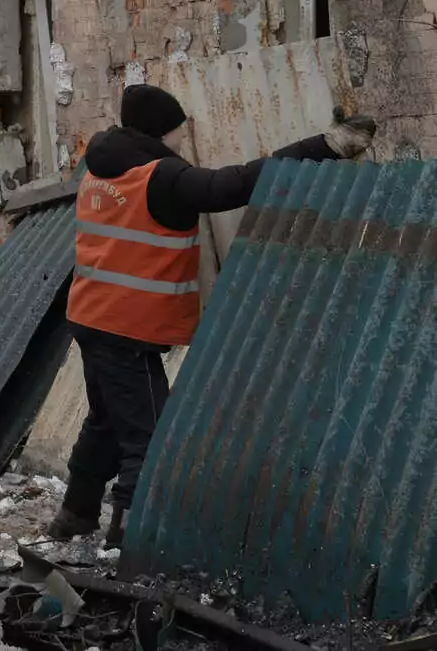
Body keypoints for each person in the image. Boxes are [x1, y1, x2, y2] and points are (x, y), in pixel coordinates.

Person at [44, 84, 375, 547]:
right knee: (149, 435)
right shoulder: (159, 176)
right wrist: (327, 145)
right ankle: (130, 539)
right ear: (162, 131)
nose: (183, 138)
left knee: (107, 421)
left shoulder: (100, 170)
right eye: (179, 130)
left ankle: (75, 515)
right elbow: (233, 184)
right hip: (125, 328)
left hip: (91, 317)